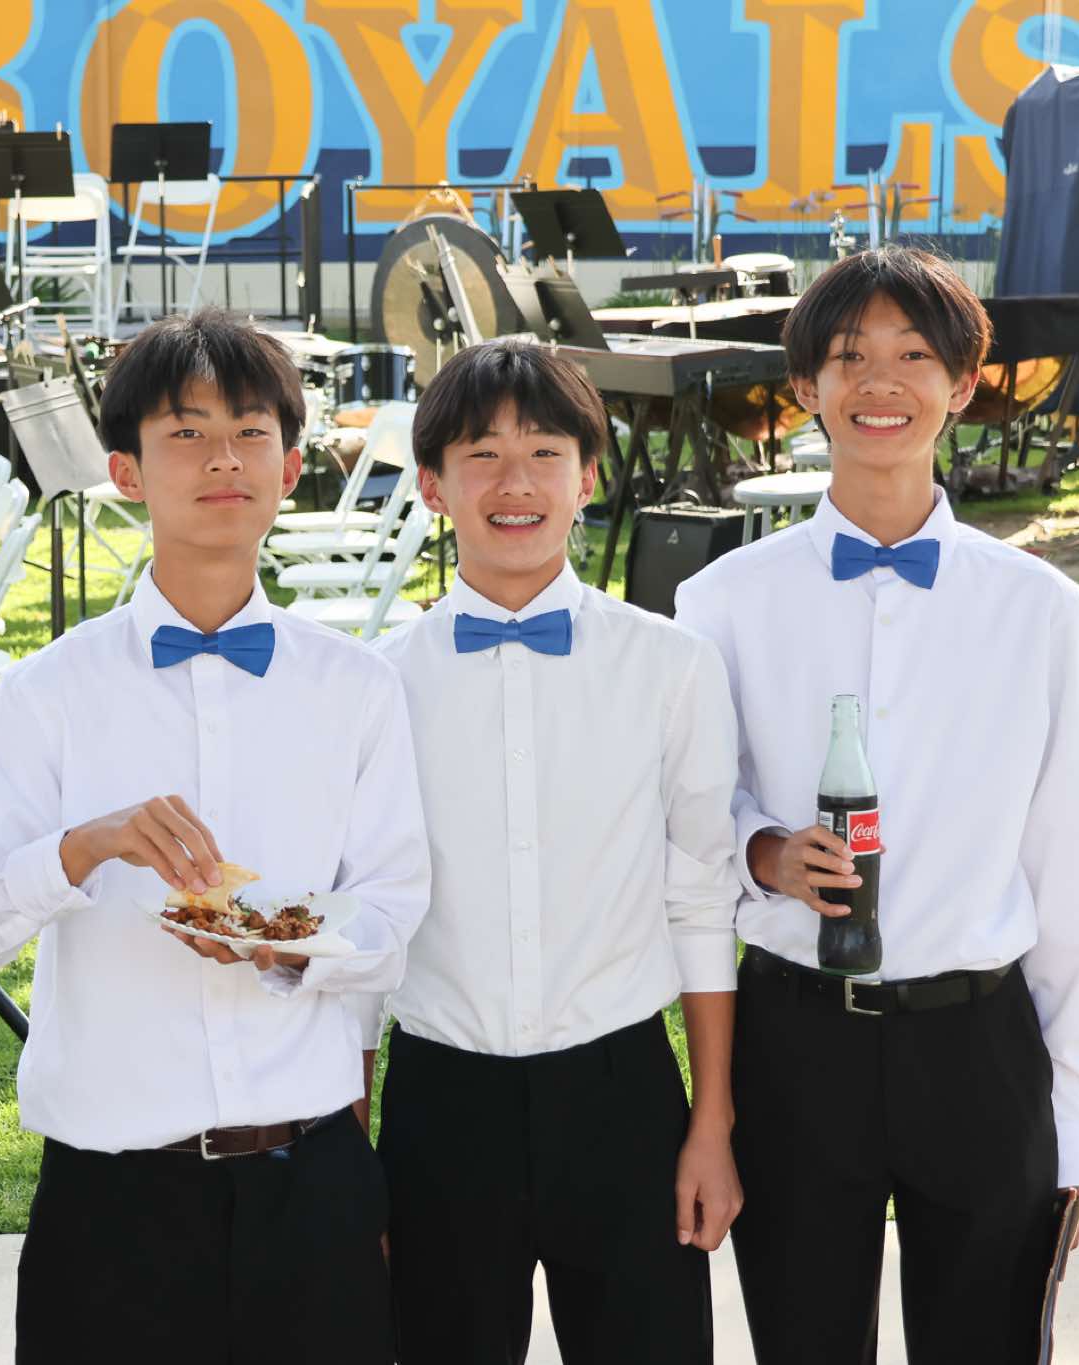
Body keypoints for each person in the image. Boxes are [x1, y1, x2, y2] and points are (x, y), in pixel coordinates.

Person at [0, 308, 428, 1364]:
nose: (222, 459)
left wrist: (284, 945)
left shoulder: (357, 689)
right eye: (185, 433)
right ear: (126, 472)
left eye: (249, 433)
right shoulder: (47, 694)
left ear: (291, 467)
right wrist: (80, 848)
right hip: (112, 1203)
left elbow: (392, 919)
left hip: (311, 1187)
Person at [674, 245, 1079, 1364]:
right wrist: (763, 852)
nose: (880, 383)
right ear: (805, 386)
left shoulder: (1038, 608)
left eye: (914, 356)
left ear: (961, 386)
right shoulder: (719, 601)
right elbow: (687, 818)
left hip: (980, 1050)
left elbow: (1067, 868)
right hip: (793, 1045)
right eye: (848, 356)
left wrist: (1071, 1116)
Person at [368, 338, 741, 1364]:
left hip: (622, 1094)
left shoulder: (670, 667)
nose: (515, 483)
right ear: (433, 486)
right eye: (481, 456)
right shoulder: (377, 684)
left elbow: (701, 899)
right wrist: (355, 1150)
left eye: (544, 453)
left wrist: (711, 1123)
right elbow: (359, 928)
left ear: (588, 477)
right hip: (440, 1101)